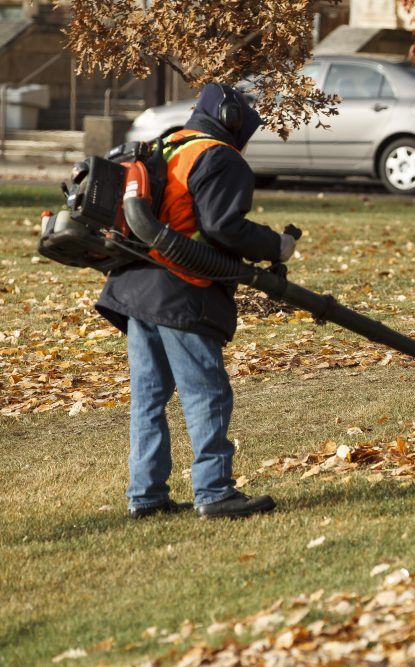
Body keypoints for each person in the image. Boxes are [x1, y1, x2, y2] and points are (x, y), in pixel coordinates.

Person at [96, 83, 297, 519]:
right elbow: (225, 226)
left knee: (149, 397)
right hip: (181, 290)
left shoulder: (167, 144)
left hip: (134, 286)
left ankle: (145, 497)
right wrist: (275, 246)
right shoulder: (219, 156)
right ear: (231, 118)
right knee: (206, 392)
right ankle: (214, 491)